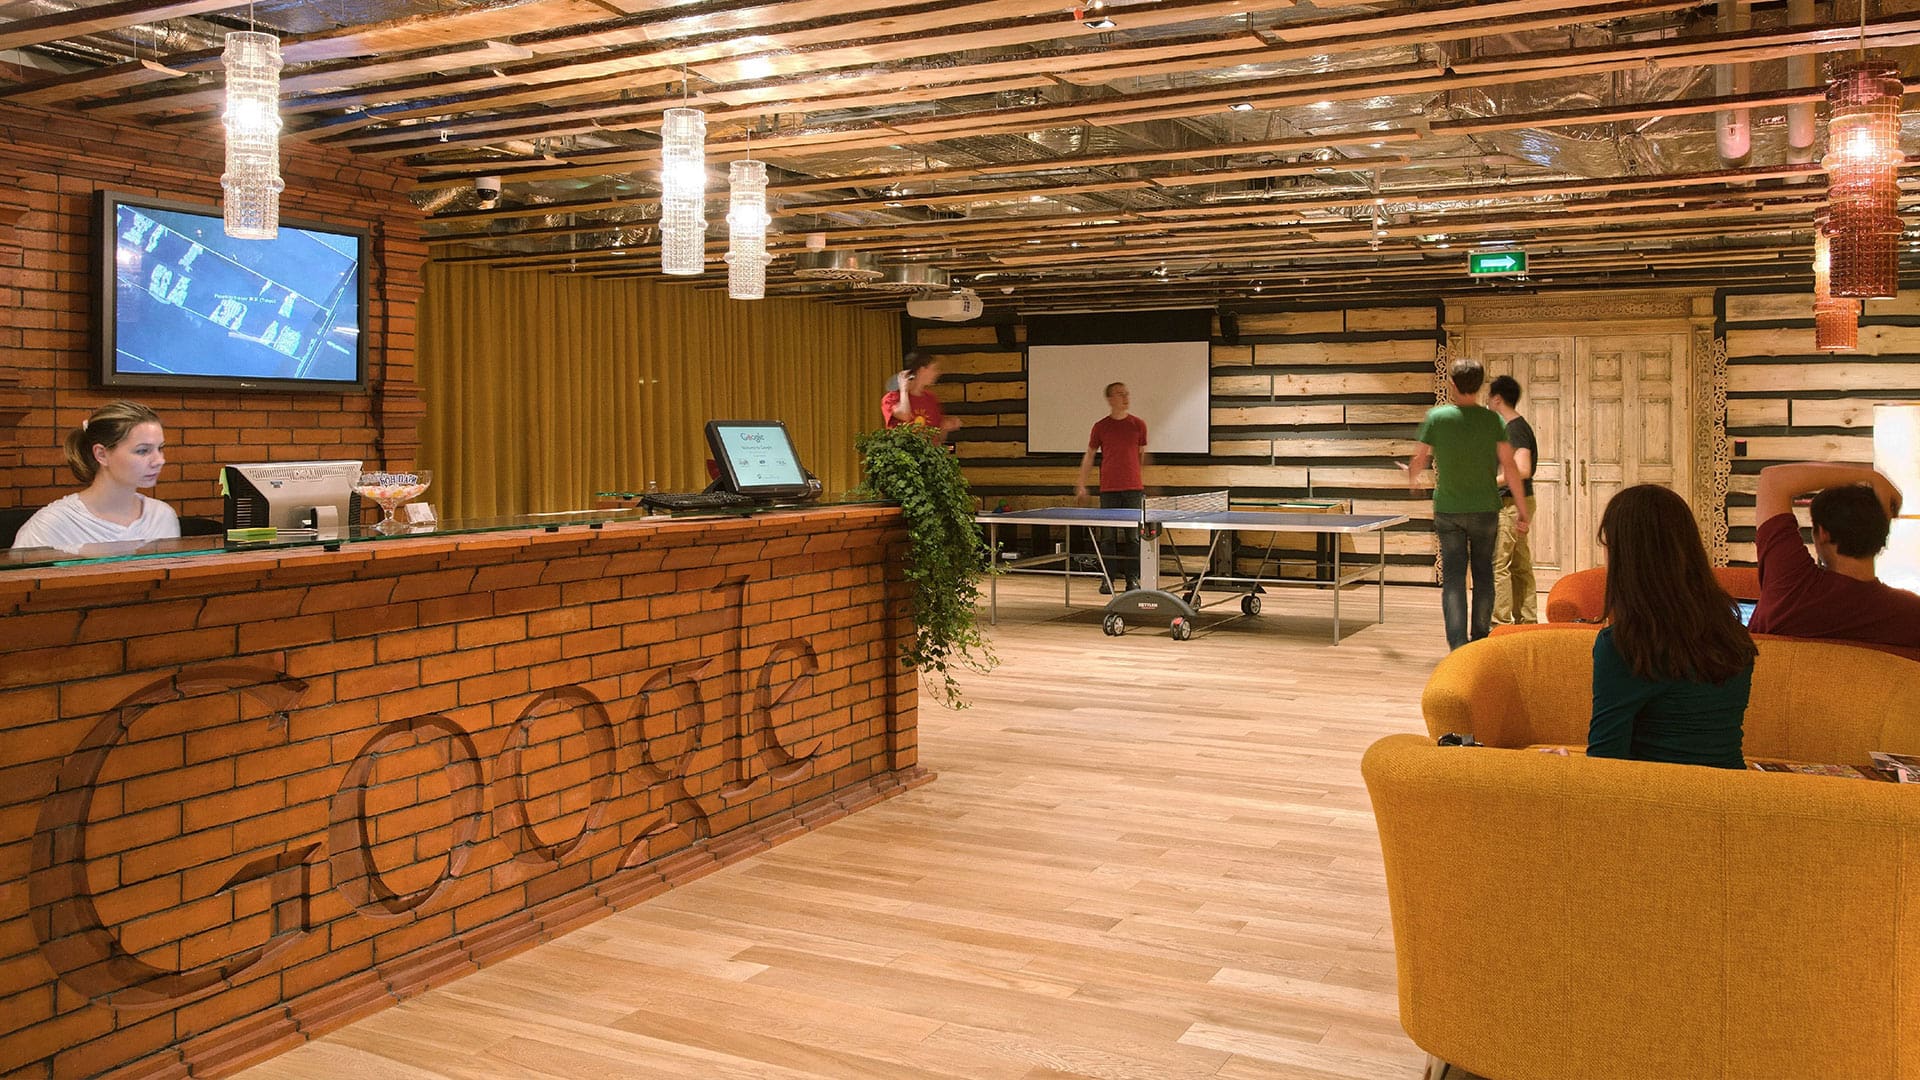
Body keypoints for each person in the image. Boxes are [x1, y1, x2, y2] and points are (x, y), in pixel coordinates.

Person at [1587, 484, 1755, 769]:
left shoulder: (1624, 645)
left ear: (1624, 556)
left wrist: (1562, 770)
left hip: (1659, 793)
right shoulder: (1733, 634)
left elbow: (1606, 763)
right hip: (1730, 788)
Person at [1405, 357, 1530, 650]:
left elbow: (1419, 460)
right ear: (1480, 385)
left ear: (1452, 384)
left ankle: (1458, 646)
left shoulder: (1437, 418)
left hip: (1448, 510)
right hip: (1486, 510)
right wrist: (1522, 509)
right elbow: (1510, 468)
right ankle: (1480, 640)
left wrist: (1412, 478)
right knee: (1484, 574)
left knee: (1453, 579)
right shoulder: (1493, 420)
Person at [1747, 461, 1919, 649]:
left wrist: (1872, 477)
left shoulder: (1792, 587)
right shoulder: (1911, 613)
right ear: (1882, 534)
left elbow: (1773, 480)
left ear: (1823, 533)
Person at [13, 400, 179, 550]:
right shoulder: (49, 527)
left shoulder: (162, 517)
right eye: (142, 451)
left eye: (160, 448)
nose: (159, 460)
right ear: (101, 454)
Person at [1075, 382, 1148, 593]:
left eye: (1126, 393)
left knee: (1133, 537)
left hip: (1133, 489)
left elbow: (1141, 455)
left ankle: (1133, 579)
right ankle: (1108, 578)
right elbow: (1089, 455)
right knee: (1107, 537)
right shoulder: (1100, 426)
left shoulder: (1138, 425)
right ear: (1110, 399)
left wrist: (1137, 478)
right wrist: (1081, 484)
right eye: (1119, 394)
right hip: (1108, 489)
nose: (1125, 397)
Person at [1486, 374, 1538, 625]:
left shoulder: (1515, 429)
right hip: (1519, 502)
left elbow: (1523, 468)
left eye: (1489, 396)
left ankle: (1500, 624)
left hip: (1511, 504)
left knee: (1499, 564)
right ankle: (1527, 621)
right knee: (1519, 564)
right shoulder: (1516, 427)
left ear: (1497, 399)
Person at [881, 353, 960, 444]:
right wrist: (904, 391)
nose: (936, 373)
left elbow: (938, 438)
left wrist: (945, 427)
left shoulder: (931, 399)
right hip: (903, 451)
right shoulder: (892, 397)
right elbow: (904, 415)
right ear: (922, 370)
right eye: (933, 369)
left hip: (926, 452)